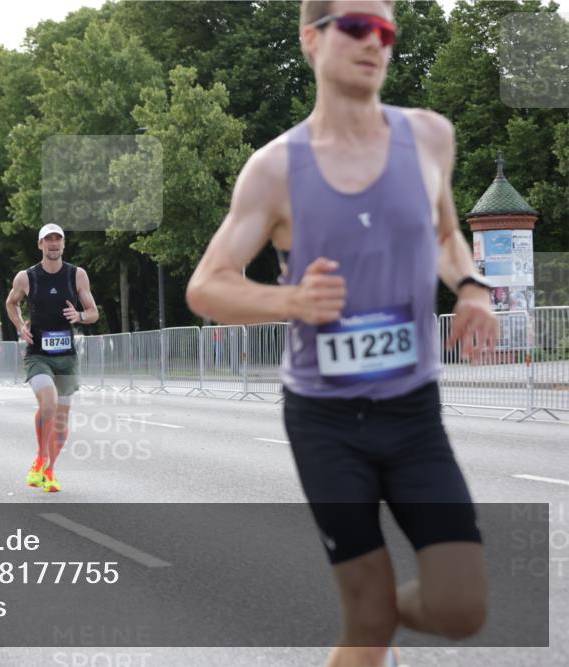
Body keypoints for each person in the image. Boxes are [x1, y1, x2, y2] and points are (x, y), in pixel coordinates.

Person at [185, 3, 498, 665]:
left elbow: (446, 236)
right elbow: (207, 284)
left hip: (414, 412)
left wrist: (471, 286)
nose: (374, 42)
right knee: (367, 624)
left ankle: (379, 613)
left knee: (461, 606)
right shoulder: (275, 169)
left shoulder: (430, 137)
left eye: (385, 31)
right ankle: (374, 617)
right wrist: (291, 299)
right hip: (327, 422)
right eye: (356, 26)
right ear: (311, 40)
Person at [5, 223, 99, 493]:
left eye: (58, 239)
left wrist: (80, 316)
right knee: (49, 403)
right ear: (40, 245)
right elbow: (12, 303)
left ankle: (49, 470)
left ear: (63, 244)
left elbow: (93, 312)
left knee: (61, 419)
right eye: (49, 240)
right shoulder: (26, 277)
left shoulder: (77, 275)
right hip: (39, 354)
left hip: (67, 357)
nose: (54, 244)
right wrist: (20, 325)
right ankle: (41, 457)